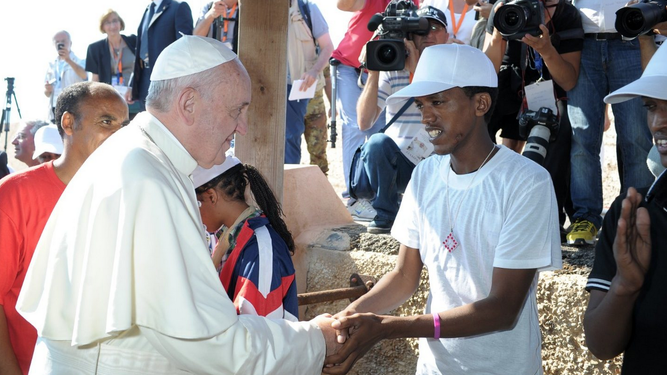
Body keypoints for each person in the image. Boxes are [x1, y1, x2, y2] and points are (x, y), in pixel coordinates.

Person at [17, 36, 338, 374]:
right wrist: (317, 339)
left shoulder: (142, 158)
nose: (241, 127)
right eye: (236, 110)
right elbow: (212, 345)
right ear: (188, 104)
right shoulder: (146, 177)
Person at [323, 44, 562, 374]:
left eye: (438, 102)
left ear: (480, 104)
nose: (426, 116)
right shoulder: (425, 174)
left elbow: (503, 309)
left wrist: (389, 326)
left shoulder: (526, 182)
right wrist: (345, 320)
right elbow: (404, 277)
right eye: (421, 104)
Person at [0, 81, 129, 375]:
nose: (119, 135)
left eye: (123, 125)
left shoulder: (128, 196)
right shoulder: (14, 196)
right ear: (69, 123)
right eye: (106, 121)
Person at [583, 40, 667, 375]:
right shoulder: (632, 213)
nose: (659, 123)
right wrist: (625, 286)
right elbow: (601, 346)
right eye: (651, 107)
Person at [484, 0, 582, 241]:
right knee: (478, 119)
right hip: (508, 82)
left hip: (549, 85)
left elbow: (569, 81)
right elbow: (486, 71)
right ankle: (481, 207)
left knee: (561, 128)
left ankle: (548, 217)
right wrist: (499, 33)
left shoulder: (566, 15)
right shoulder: (504, 8)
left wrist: (547, 49)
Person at [566, 0, 655, 246]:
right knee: (582, 135)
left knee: (636, 136)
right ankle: (585, 216)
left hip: (631, 39)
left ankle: (636, 213)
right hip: (581, 43)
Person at [353, 5, 448, 233]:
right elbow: (364, 122)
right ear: (411, 36)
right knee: (376, 142)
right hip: (399, 164)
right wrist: (374, 69)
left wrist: (416, 68)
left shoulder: (449, 67)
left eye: (435, 28)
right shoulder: (393, 69)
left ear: (447, 36)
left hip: (437, 163)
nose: (428, 35)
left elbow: (435, 113)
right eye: (422, 30)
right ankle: (386, 213)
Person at [193, 156, 299, 321]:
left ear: (212, 197)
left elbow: (260, 330)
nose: (194, 213)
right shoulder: (226, 237)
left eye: (195, 204)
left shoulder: (260, 248)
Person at [332, 0, 399, 198]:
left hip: (384, 68)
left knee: (379, 131)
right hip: (350, 66)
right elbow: (344, 5)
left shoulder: (411, 2)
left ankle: (378, 193)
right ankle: (354, 196)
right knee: (354, 127)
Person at [285, 0, 334, 164]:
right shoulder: (265, 14)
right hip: (284, 95)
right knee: (289, 144)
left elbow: (328, 47)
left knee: (318, 153)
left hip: (312, 93)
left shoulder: (308, 9)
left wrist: (314, 71)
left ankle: (319, 188)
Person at [126, 0, 193, 109]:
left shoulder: (179, 7)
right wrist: (131, 85)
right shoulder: (147, 10)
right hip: (144, 79)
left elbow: (184, 48)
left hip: (168, 81)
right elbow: (141, 51)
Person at [86, 9, 141, 118]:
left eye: (115, 21)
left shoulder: (134, 41)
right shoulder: (95, 49)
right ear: (103, 27)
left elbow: (143, 67)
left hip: (134, 98)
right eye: (108, 22)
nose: (112, 25)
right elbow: (95, 80)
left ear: (121, 23)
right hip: (110, 101)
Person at [44, 31, 87, 122]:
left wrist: (68, 60)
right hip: (55, 109)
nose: (60, 43)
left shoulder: (80, 61)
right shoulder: (51, 65)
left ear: (70, 43)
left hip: (73, 109)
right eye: (57, 42)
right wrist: (48, 90)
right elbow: (46, 93)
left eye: (63, 41)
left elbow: (84, 75)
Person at [304, 65, 331, 174]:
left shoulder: (320, 51)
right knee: (290, 153)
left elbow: (327, 78)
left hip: (316, 112)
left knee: (318, 153)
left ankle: (320, 187)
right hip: (292, 110)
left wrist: (332, 104)